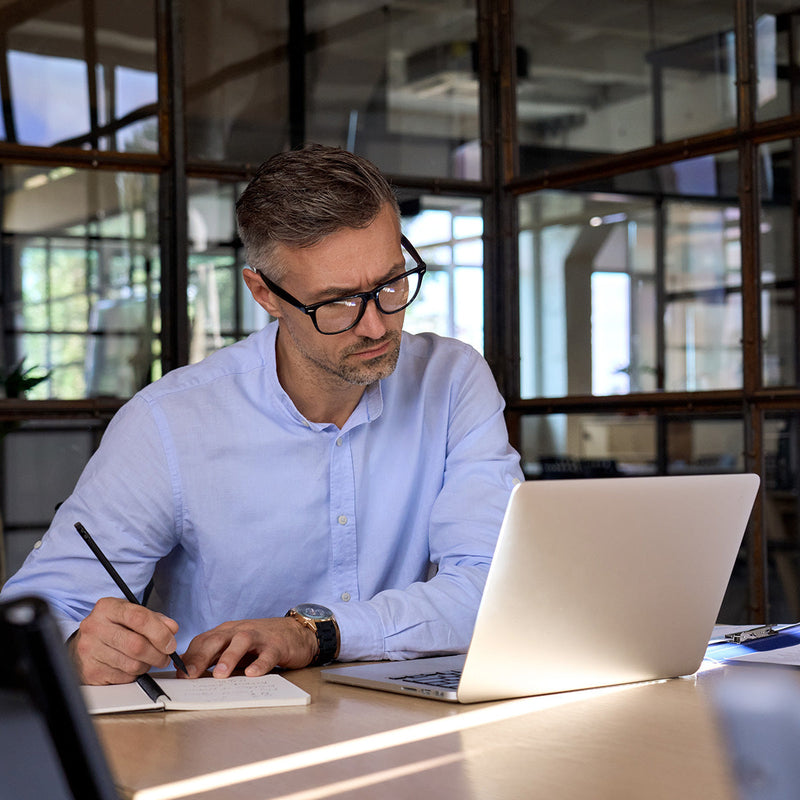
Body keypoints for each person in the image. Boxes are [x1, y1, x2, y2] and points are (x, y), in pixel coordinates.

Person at [0, 144, 523, 685]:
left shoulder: (453, 379)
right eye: (338, 302)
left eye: (391, 283)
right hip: (224, 734)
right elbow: (34, 613)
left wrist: (314, 632)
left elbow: (494, 586)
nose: (375, 326)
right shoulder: (170, 423)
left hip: (413, 724)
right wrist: (74, 645)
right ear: (264, 294)